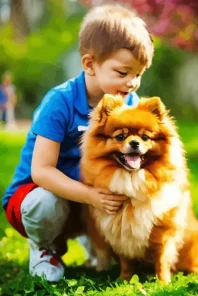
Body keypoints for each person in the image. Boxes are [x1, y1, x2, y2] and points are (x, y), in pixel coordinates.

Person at [2, 4, 154, 282]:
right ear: (89, 64)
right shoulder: (59, 102)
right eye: (123, 73)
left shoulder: (128, 102)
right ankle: (43, 246)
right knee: (47, 202)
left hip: (86, 193)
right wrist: (90, 197)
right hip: (36, 195)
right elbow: (42, 172)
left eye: (139, 74)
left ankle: (95, 239)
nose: (132, 83)